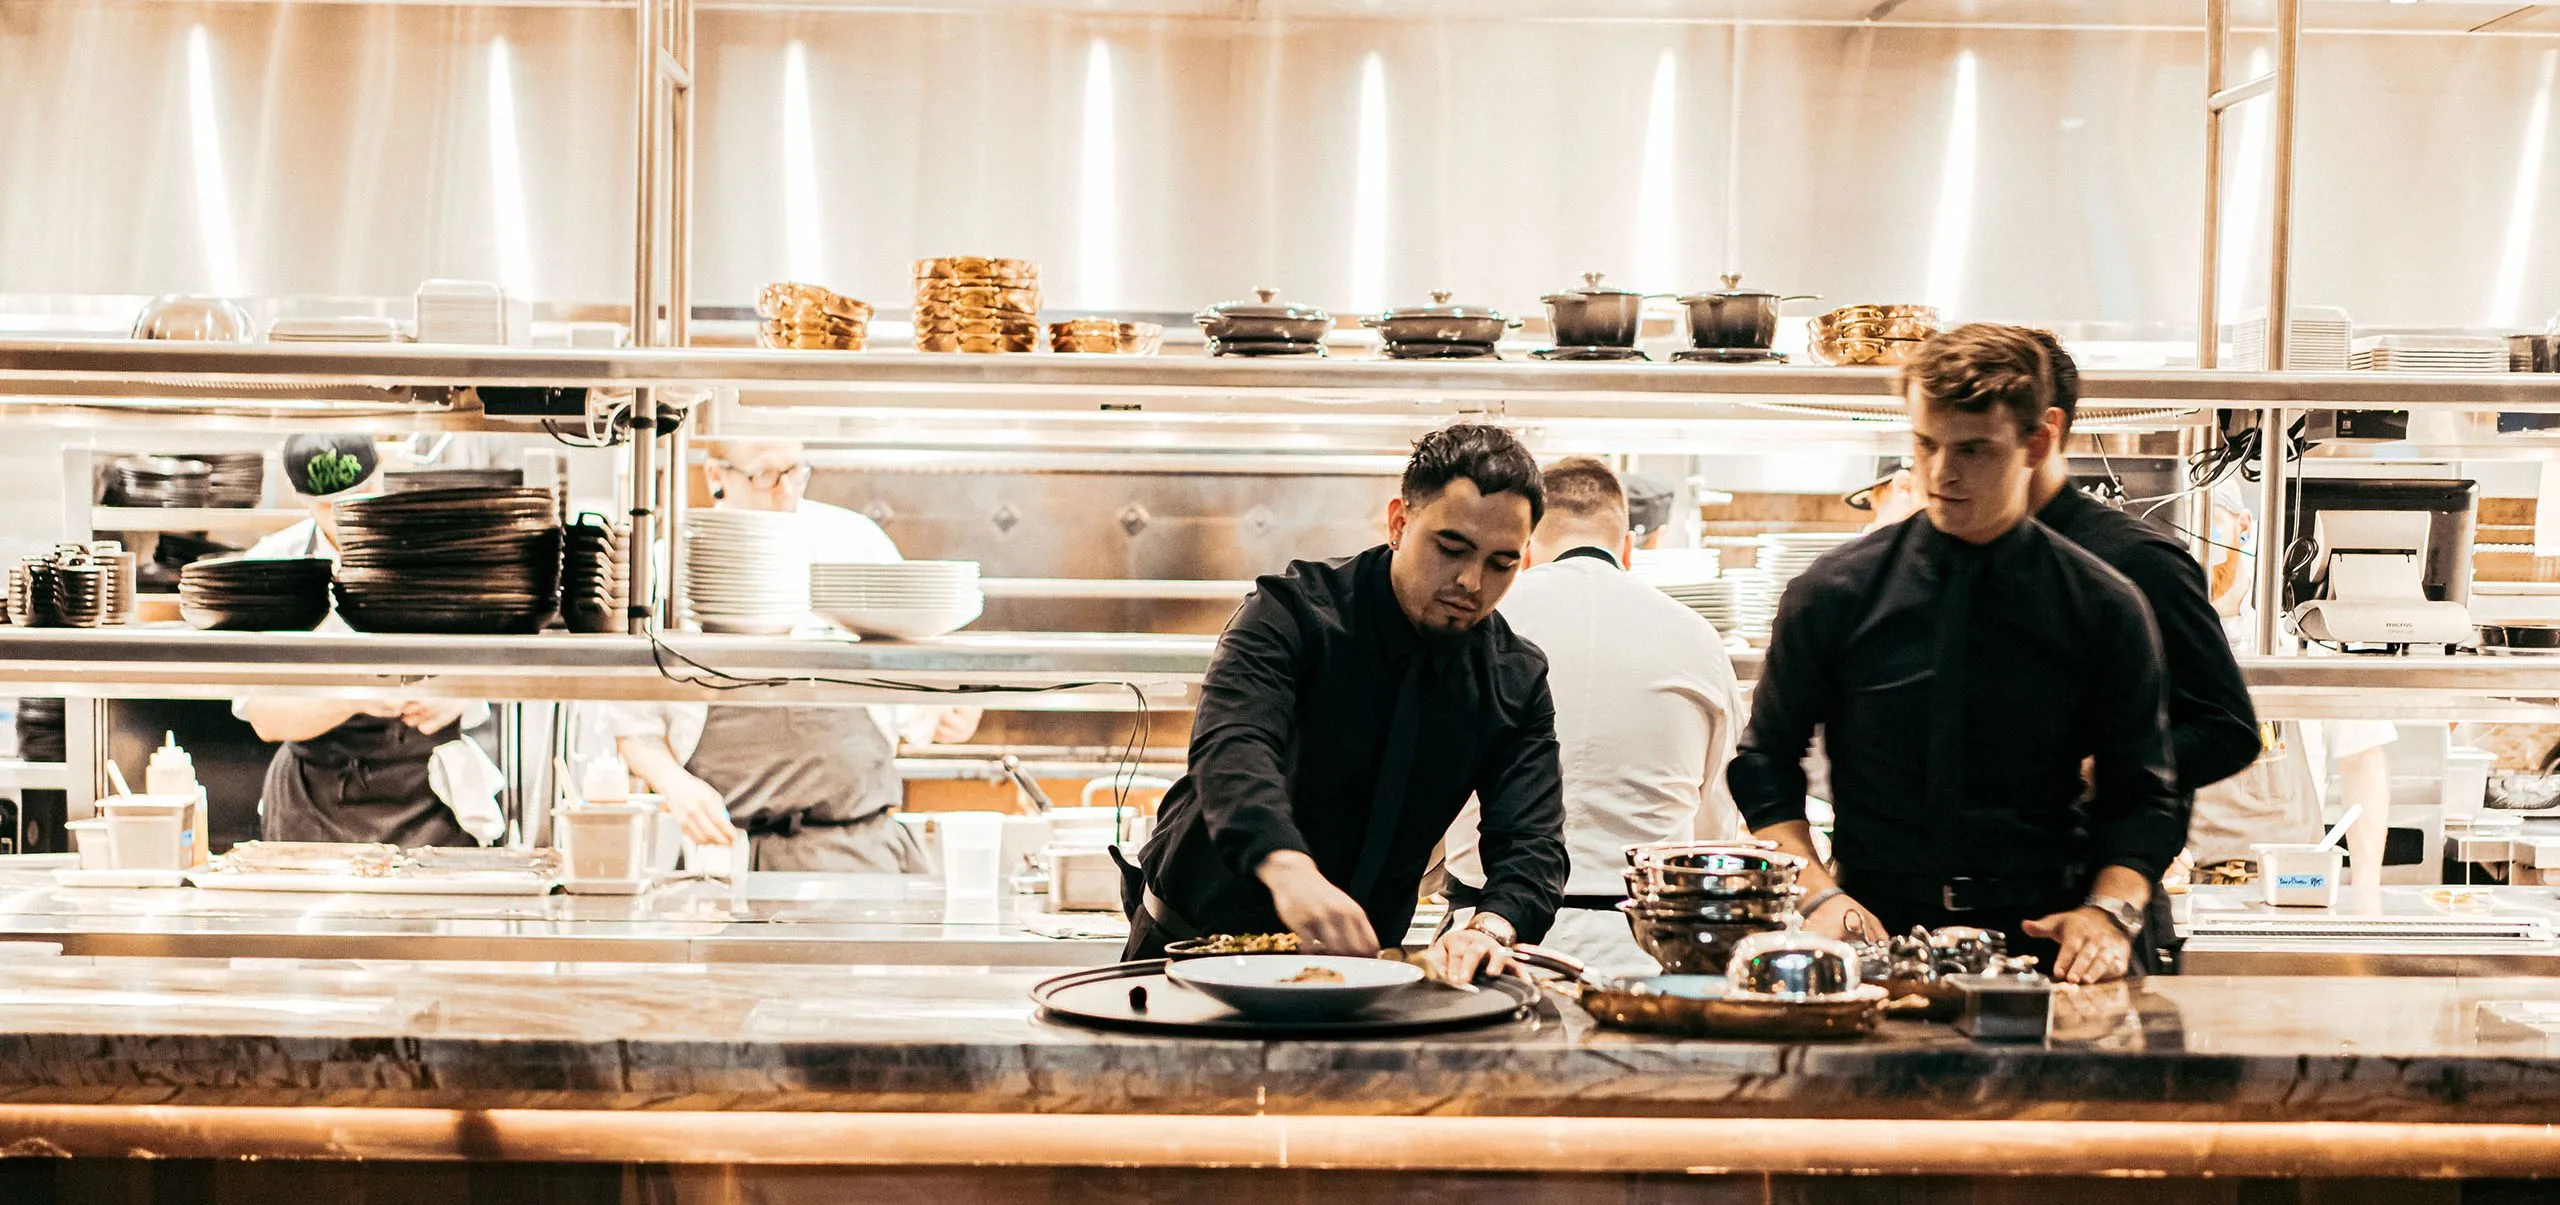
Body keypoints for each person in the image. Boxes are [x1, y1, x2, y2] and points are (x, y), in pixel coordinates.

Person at [1727, 324, 2184, 985]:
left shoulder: (2104, 605)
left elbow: (2146, 796)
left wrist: (2110, 913)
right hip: (1881, 935)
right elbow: (1764, 766)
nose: (1941, 472)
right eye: (1925, 444)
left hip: (2048, 942)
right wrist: (1819, 895)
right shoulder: (1833, 594)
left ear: (2038, 442)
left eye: (1973, 449)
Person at [1125, 424, 1569, 983]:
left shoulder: (1514, 678)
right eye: (1451, 548)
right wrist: (1288, 869)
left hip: (1359, 977)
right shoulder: (1290, 613)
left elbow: (1531, 843)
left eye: (1501, 563)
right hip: (1192, 954)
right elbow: (1233, 747)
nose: (1470, 582)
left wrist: (1491, 927)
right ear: (1399, 523)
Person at [602, 438, 977, 872]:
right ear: (716, 475)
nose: (786, 490)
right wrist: (675, 786)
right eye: (765, 475)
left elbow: (916, 663)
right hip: (729, 857)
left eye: (796, 471)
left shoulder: (855, 541)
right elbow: (630, 723)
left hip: (858, 854)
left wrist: (954, 706)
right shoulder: (667, 565)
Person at [1441, 457, 1743, 977]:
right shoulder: (1697, 637)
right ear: (1627, 548)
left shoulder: (1482, 624)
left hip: (1486, 944)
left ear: (1526, 549)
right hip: (1647, 952)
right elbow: (1717, 833)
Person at [2019, 329, 2261, 970]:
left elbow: (2225, 729)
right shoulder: (1928, 562)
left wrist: (2094, 768)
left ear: (2045, 433)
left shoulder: (2137, 563)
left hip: (2099, 912)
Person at [236, 434, 498, 847]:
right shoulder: (272, 566)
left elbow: (498, 661)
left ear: (380, 475)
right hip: (315, 804)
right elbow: (265, 717)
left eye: (362, 494)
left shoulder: (439, 551)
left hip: (431, 795)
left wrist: (458, 692)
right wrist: (352, 698)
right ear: (301, 497)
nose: (348, 513)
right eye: (329, 504)